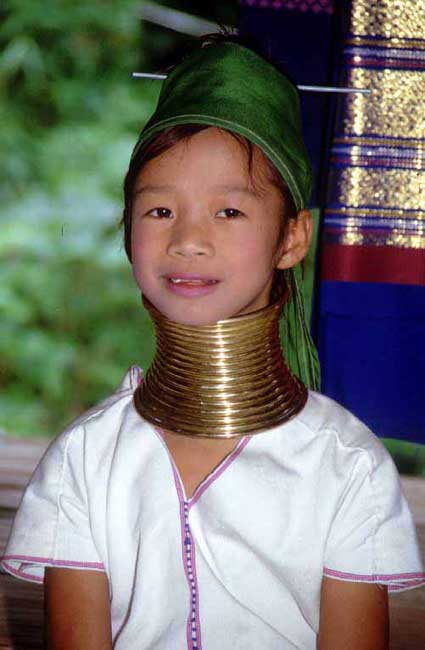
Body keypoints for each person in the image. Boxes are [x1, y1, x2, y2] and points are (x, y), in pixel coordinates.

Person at [1, 33, 424, 650]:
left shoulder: (346, 466)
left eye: (229, 212)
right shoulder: (84, 463)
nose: (188, 240)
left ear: (293, 239)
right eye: (159, 211)